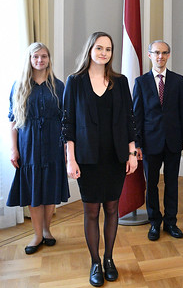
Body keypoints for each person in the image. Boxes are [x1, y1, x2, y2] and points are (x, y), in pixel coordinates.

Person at [62, 32, 138, 287]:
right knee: (92, 210)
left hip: (115, 157)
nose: (104, 52)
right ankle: (95, 262)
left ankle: (109, 259)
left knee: (113, 208)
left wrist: (132, 153)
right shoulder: (75, 82)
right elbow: (68, 124)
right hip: (87, 158)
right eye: (99, 47)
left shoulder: (120, 81)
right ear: (90, 49)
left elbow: (129, 120)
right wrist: (70, 159)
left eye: (108, 49)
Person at [7, 43, 70, 255]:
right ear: (30, 59)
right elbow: (13, 120)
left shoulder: (58, 85)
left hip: (54, 142)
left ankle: (47, 230)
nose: (40, 60)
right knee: (34, 189)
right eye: (36, 57)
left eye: (44, 56)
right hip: (29, 144)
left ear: (49, 59)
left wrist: (66, 149)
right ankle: (36, 235)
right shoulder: (20, 86)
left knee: (50, 188)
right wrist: (13, 149)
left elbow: (66, 119)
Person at [133, 40, 183, 241]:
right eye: (156, 52)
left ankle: (171, 222)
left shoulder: (177, 80)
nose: (160, 56)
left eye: (164, 53)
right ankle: (154, 223)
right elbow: (137, 116)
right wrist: (138, 144)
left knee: (172, 183)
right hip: (150, 143)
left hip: (174, 141)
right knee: (152, 184)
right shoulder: (141, 82)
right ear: (150, 55)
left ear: (168, 55)